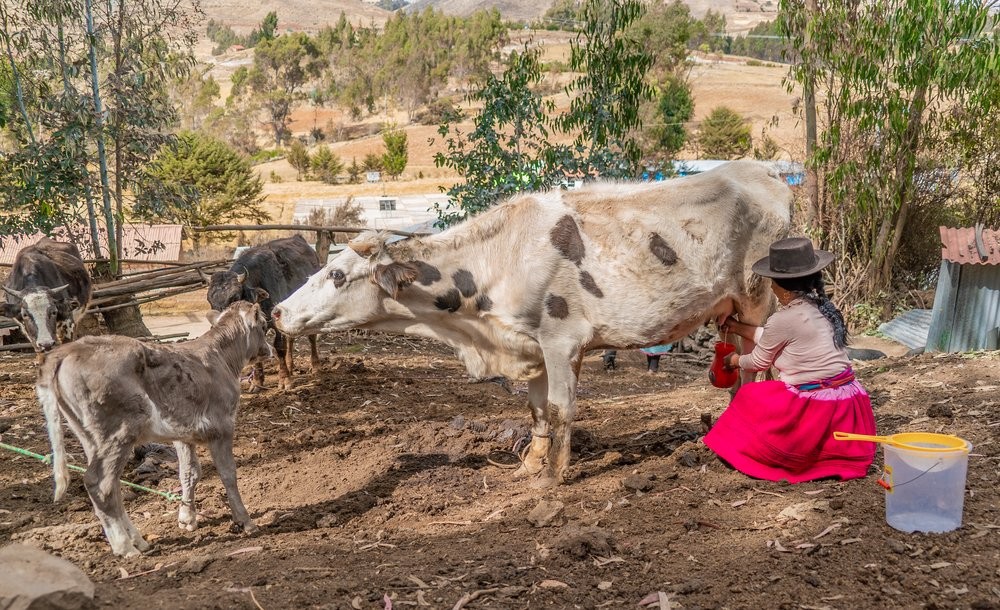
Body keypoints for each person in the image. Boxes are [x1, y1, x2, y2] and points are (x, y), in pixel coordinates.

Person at [702, 237, 877, 483]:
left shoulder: (783, 320)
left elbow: (759, 361)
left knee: (749, 396)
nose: (771, 287)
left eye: (772, 282)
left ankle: (749, 452)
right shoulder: (823, 309)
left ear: (782, 288)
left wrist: (733, 361)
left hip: (818, 409)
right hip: (849, 403)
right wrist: (738, 327)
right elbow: (781, 338)